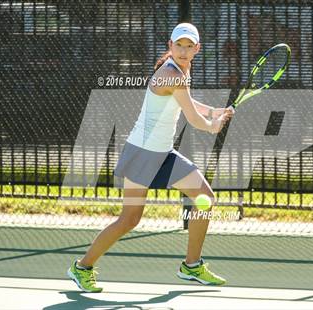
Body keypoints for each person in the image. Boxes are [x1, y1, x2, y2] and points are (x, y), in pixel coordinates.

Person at [67, 23, 234, 292]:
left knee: (205, 198)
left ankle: (191, 265)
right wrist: (212, 125)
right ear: (170, 46)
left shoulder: (182, 70)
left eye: (188, 46)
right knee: (130, 220)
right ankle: (82, 267)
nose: (183, 50)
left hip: (164, 153)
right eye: (178, 45)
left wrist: (214, 111)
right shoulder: (171, 73)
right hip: (143, 153)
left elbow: (187, 103)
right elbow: (192, 118)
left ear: (196, 49)